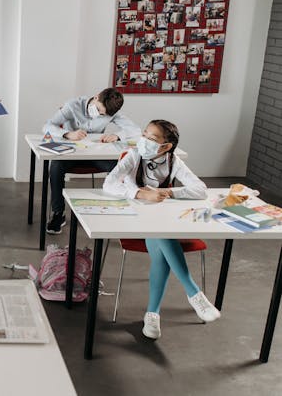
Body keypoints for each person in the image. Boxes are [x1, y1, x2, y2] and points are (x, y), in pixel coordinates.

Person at [103, 119, 220, 340]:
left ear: (166, 146)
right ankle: (193, 293)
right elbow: (108, 184)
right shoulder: (134, 156)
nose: (144, 140)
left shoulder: (173, 161)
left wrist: (170, 193)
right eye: (144, 134)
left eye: (152, 138)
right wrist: (139, 193)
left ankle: (153, 314)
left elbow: (200, 190)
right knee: (163, 236)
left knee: (161, 246)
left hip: (159, 220)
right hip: (133, 218)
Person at [43, 87, 139, 234]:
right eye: (100, 110)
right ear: (96, 97)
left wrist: (117, 136)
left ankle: (112, 209)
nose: (100, 114)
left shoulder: (111, 111)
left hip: (95, 155)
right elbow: (48, 126)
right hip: (71, 154)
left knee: (119, 167)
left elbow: (135, 130)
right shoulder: (72, 105)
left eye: (103, 114)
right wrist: (67, 134)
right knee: (55, 167)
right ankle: (58, 213)